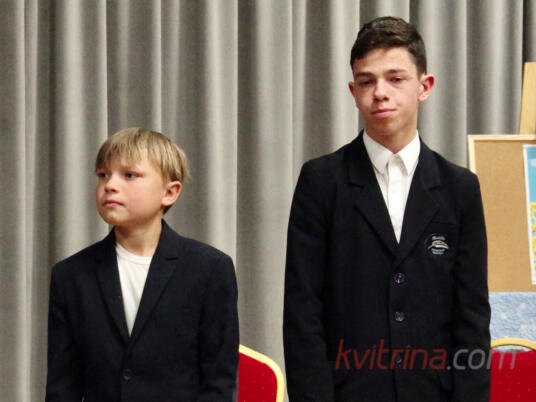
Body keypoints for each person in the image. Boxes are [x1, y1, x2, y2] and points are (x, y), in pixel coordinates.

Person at [283, 16, 490, 402]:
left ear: (424, 86)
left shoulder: (459, 188)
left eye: (395, 79)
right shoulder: (321, 181)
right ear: (353, 91)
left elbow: (472, 317)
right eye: (366, 81)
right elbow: (302, 311)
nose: (380, 93)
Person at [46, 128, 239, 401]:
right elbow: (62, 386)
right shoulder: (70, 276)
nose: (110, 185)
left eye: (129, 175)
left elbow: (218, 383)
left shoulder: (209, 269)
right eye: (103, 175)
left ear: (169, 193)